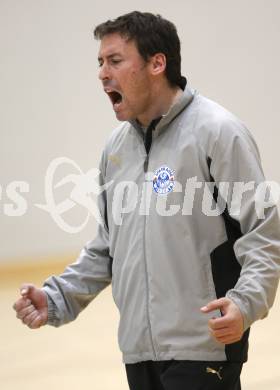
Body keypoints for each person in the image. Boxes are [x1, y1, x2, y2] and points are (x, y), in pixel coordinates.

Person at [13, 11, 280, 390]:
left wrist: (245, 303)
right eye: (100, 62)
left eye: (115, 60)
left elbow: (263, 234)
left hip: (206, 345)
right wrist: (56, 297)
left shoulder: (218, 133)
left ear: (158, 63)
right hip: (138, 351)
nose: (103, 73)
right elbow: (108, 247)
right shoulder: (116, 149)